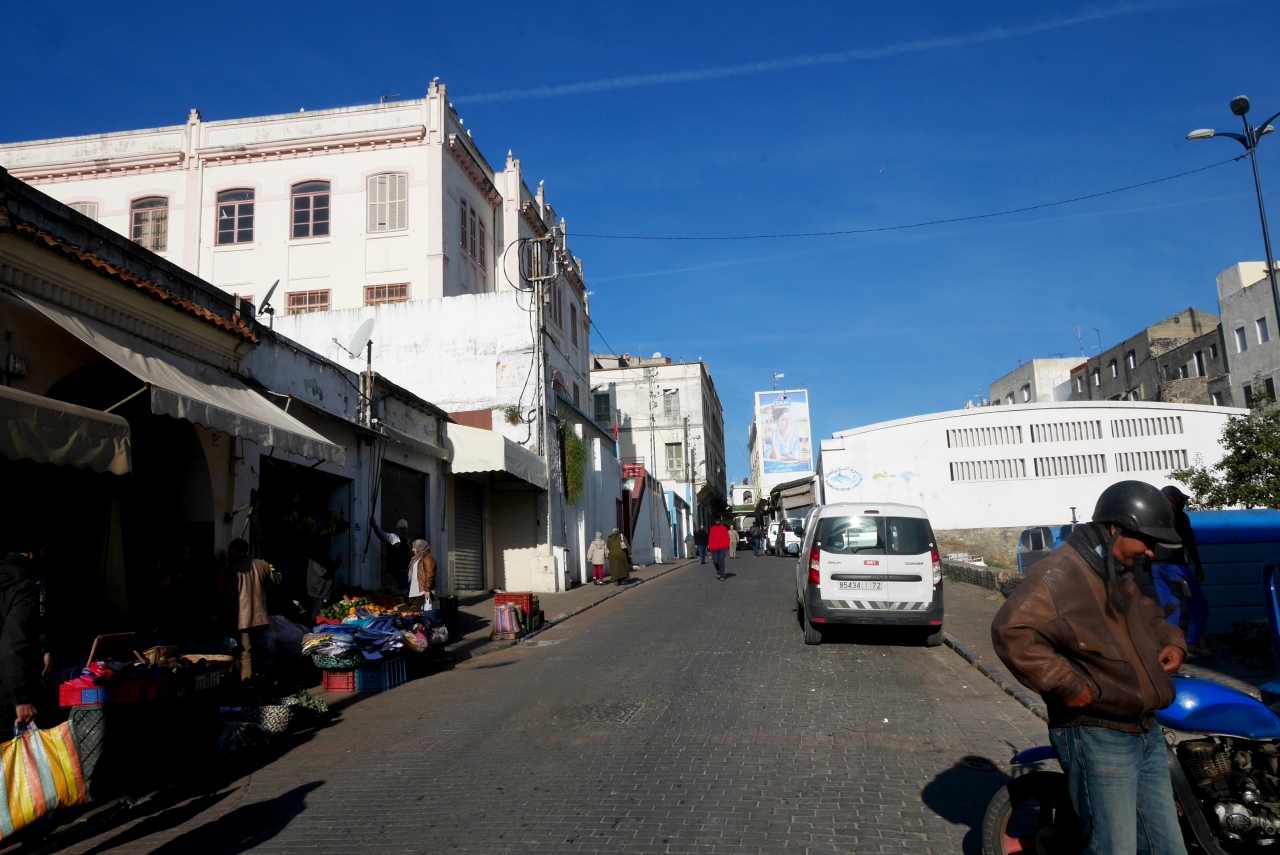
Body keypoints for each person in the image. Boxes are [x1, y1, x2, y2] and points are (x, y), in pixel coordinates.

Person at [991, 480, 1188, 855]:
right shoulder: (1060, 573)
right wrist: (1068, 686)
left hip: (1145, 729)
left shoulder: (1122, 568)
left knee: (1166, 846)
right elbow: (1012, 630)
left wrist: (1171, 641)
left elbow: (1151, 614)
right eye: (1146, 540)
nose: (1150, 550)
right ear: (1114, 529)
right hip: (1097, 732)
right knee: (1112, 846)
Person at [1151, 485, 1209, 655]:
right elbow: (1189, 542)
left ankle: (1172, 644)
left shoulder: (1151, 516)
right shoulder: (1179, 516)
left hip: (1155, 567)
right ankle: (1191, 642)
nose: (1184, 503)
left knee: (1169, 606)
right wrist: (1198, 565)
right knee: (1199, 604)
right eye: (1181, 499)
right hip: (1174, 566)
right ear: (1172, 499)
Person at [0, 540, 43, 729]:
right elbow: (13, 644)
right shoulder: (24, 587)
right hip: (5, 693)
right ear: (31, 553)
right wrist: (21, 699)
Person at [226, 538, 281, 681]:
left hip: (243, 619)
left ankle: (248, 684)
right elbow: (276, 580)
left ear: (235, 551)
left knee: (246, 654)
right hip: (261, 617)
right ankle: (263, 680)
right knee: (259, 650)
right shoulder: (261, 564)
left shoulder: (233, 568)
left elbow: (231, 596)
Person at [306, 535, 341, 622]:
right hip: (319, 592)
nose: (331, 545)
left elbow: (327, 569)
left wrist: (336, 564)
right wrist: (335, 564)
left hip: (320, 591)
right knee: (317, 618)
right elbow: (322, 572)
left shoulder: (322, 553)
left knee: (320, 616)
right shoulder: (317, 555)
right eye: (331, 543)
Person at [371, 517, 413, 590]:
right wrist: (374, 526)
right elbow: (381, 534)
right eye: (401, 529)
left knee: (405, 589)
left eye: (405, 529)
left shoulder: (407, 540)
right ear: (397, 529)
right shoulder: (392, 537)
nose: (403, 531)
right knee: (406, 588)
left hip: (405, 570)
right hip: (397, 570)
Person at [408, 539, 436, 609]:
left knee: (423, 611)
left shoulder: (428, 558)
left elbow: (429, 574)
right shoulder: (416, 558)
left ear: (419, 547)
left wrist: (427, 590)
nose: (412, 550)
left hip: (423, 590)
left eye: (414, 547)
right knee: (418, 611)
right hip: (416, 590)